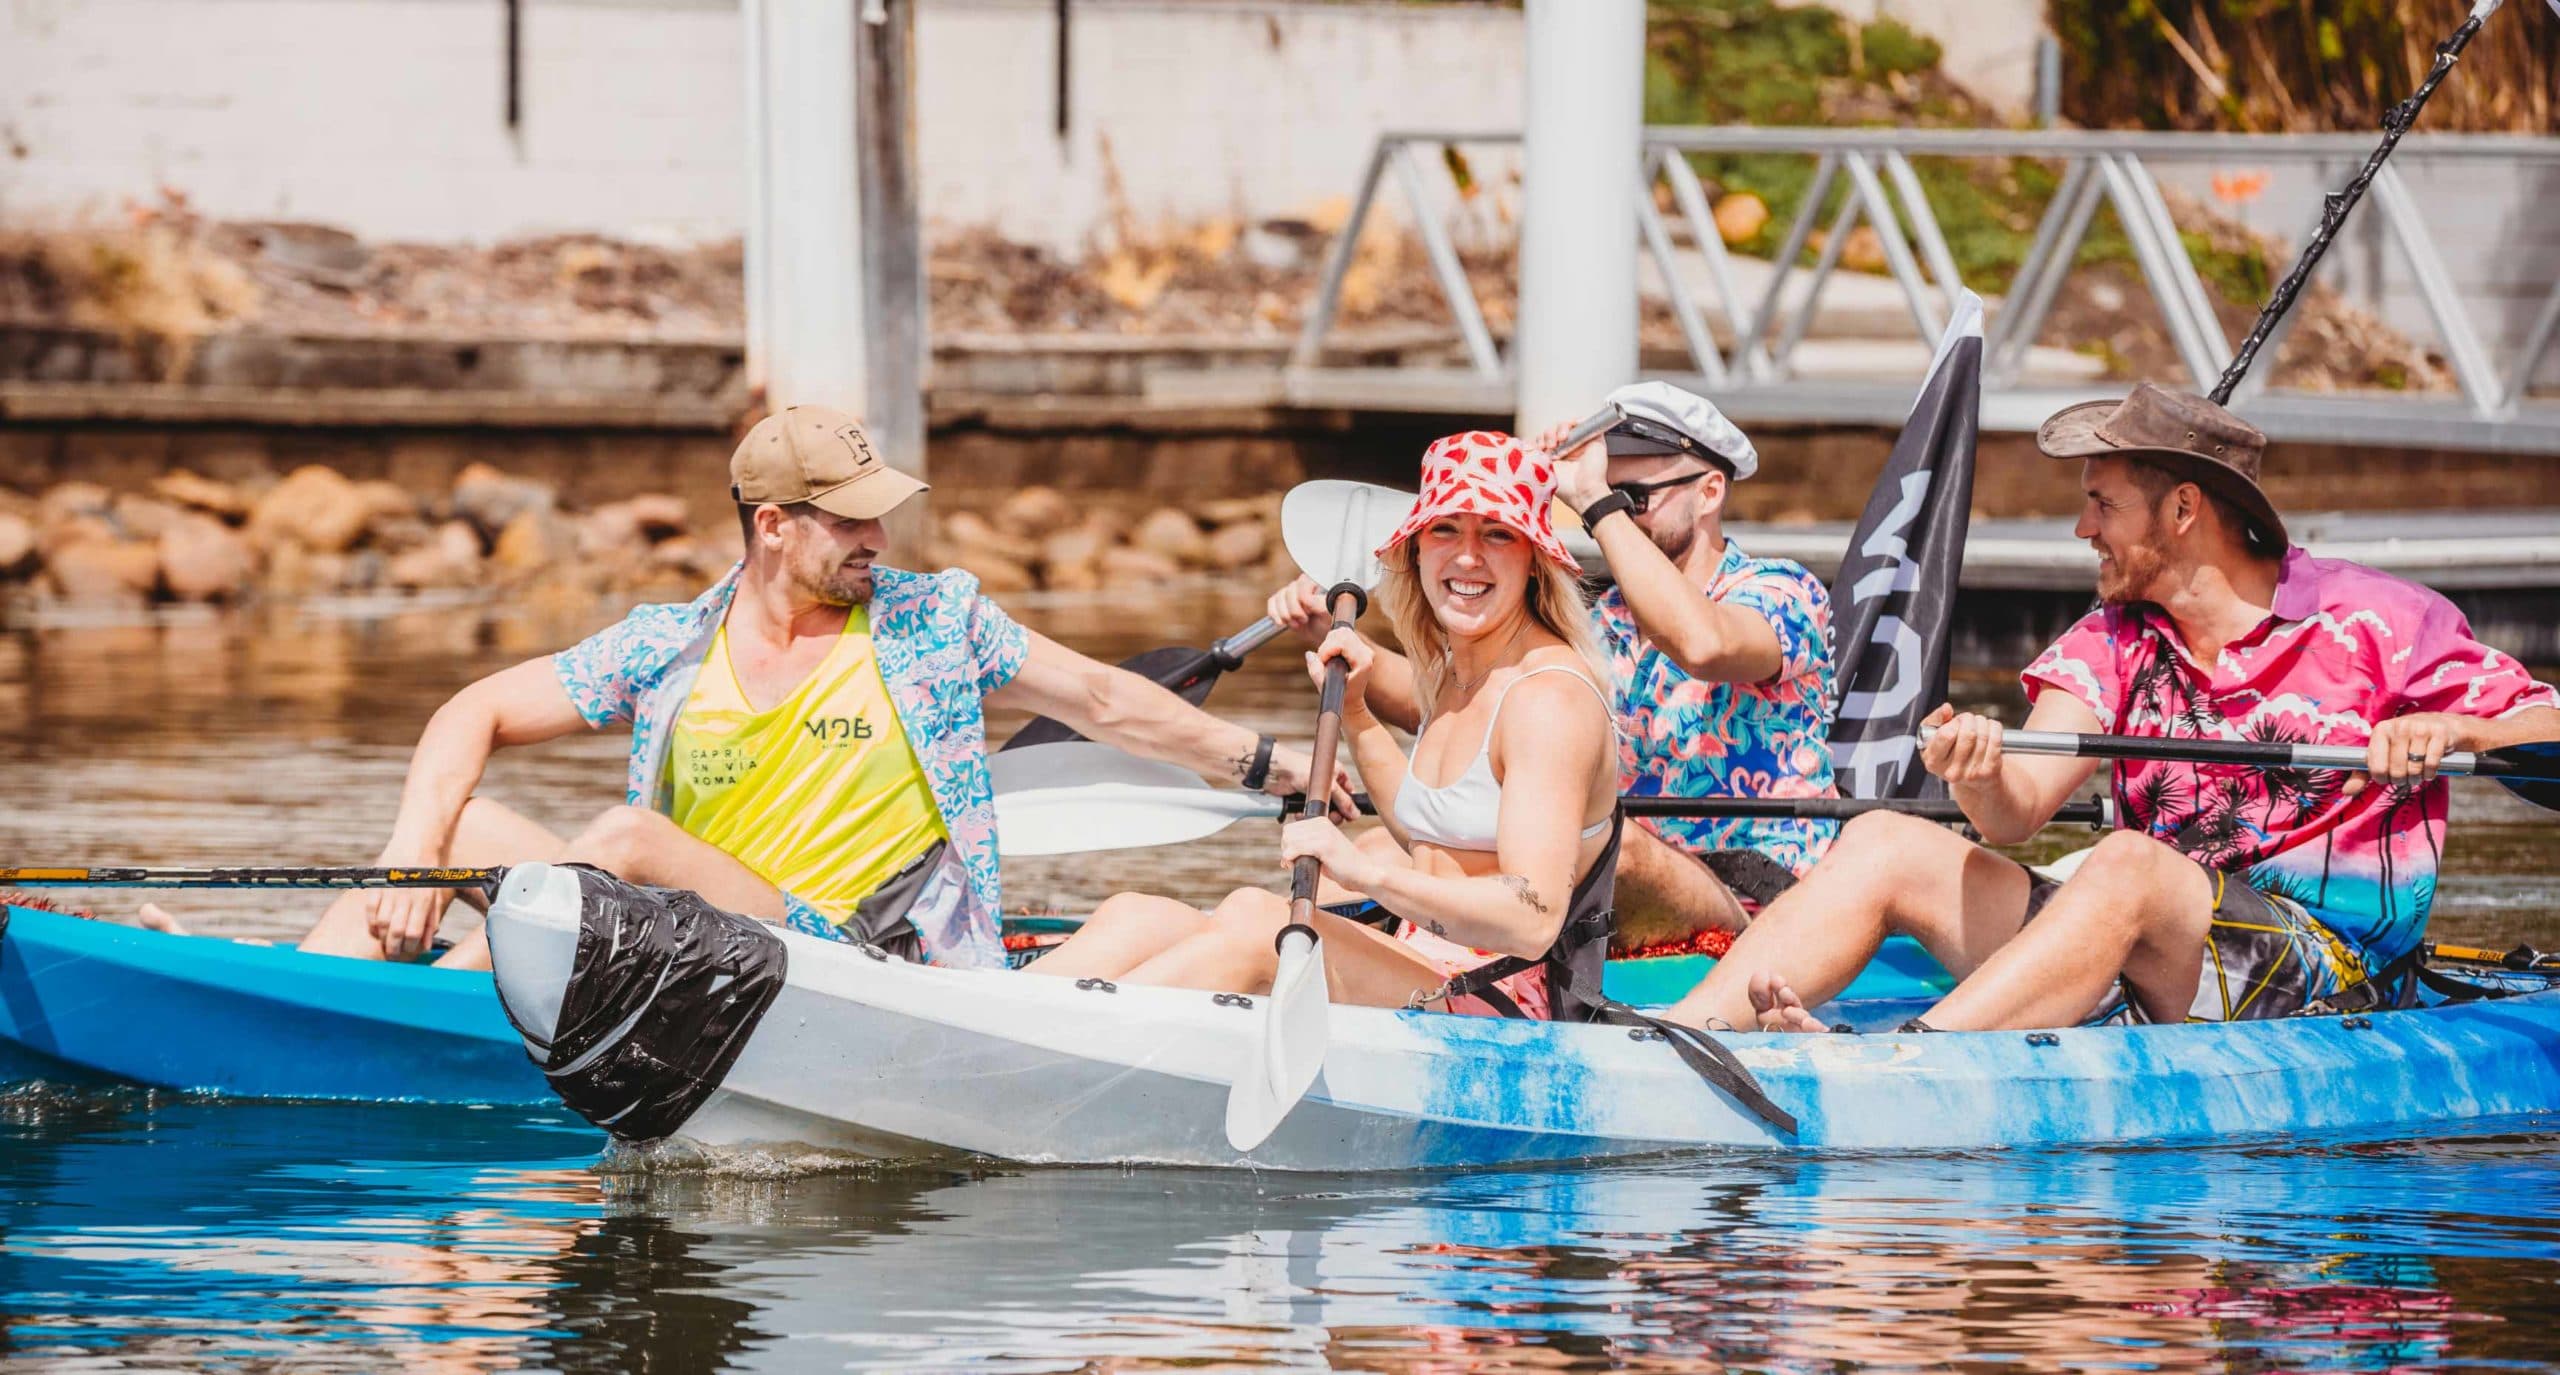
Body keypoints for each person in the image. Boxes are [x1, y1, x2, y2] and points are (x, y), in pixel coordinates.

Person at [259, 406, 1351, 972]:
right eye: (851, 518)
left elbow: (1107, 701)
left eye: (879, 512)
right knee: (469, 817)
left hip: (848, 955)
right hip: (672, 943)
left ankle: (460, 995)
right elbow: (473, 711)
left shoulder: (933, 621)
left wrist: (1272, 766)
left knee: (629, 839)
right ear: (772, 526)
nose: (878, 536)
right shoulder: (673, 642)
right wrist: (415, 842)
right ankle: (301, 994)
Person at [1669, 383, 2560, 1033]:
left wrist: (2462, 728)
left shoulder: (2379, 619)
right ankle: (1681, 1039)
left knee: (2128, 864)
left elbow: (2547, 728)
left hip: (2326, 975)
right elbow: (2017, 812)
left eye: (2102, 503)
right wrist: (1977, 773)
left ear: (2182, 508)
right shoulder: (2113, 635)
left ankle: (1913, 1062)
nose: (2081, 527)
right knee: (1883, 839)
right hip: (2140, 949)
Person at [1030, 431, 1620, 1018]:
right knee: (1142, 914)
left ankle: (1064, 1051)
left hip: (1508, 1002)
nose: (1467, 556)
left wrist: (1360, 871)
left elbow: (1532, 919)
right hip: (1430, 965)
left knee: (1260, 929)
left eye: (1498, 534)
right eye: (1446, 528)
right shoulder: (1459, 670)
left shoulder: (1548, 700)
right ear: (1416, 549)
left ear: (1536, 561)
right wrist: (1358, 713)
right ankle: (995, 1030)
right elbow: (1430, 835)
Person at [1263, 382, 1838, 947]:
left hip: (1753, 894)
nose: (1614, 517)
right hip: (1595, 873)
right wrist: (1335, 636)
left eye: (1630, 499)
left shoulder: (1782, 592)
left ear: (1710, 492)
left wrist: (1592, 500)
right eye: (1601, 498)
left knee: (1615, 843)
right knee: (1377, 851)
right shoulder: (1608, 614)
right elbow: (1462, 715)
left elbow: (1702, 644)